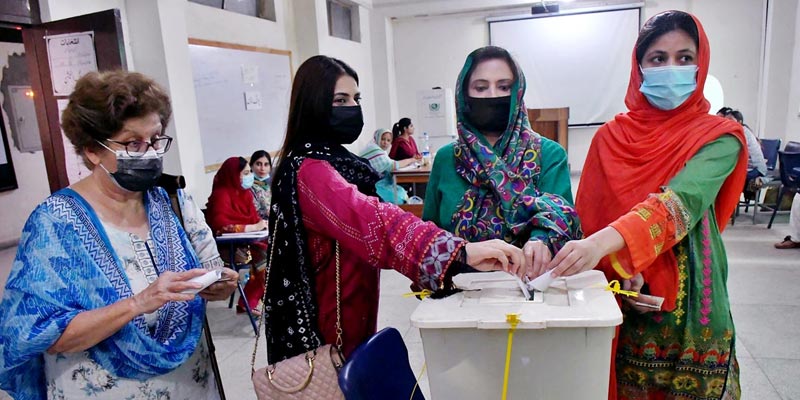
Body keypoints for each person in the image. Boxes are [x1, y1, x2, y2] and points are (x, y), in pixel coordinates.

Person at [264, 55, 526, 364]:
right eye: (340, 99)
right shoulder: (310, 171)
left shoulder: (337, 164)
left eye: (356, 98)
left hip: (352, 320)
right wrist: (458, 253)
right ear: (314, 105)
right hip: (326, 336)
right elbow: (375, 223)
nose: (353, 107)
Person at [0, 70, 238, 399]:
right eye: (132, 144)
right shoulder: (55, 224)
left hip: (191, 384)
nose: (150, 152)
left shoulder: (173, 202)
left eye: (155, 140)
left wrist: (219, 284)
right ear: (92, 150)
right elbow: (40, 334)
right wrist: (138, 303)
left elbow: (210, 272)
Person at [548, 11, 748, 399]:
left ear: (701, 64)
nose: (671, 68)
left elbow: (679, 203)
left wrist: (601, 246)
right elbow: (587, 220)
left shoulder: (720, 138)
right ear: (639, 68)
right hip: (627, 306)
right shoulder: (610, 139)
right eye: (658, 59)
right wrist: (617, 272)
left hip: (697, 312)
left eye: (685, 58)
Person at [423, 46, 582, 276]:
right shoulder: (447, 159)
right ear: (464, 94)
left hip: (532, 294)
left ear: (517, 92)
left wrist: (542, 241)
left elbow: (562, 219)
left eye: (504, 86)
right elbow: (431, 233)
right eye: (481, 87)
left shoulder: (549, 154)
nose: (492, 95)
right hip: (460, 295)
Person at [206, 156, 268, 316]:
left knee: (278, 251)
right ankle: (251, 300)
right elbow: (221, 226)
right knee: (266, 260)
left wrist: (262, 224)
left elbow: (255, 219)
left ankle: (251, 300)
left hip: (249, 243)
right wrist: (254, 227)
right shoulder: (221, 195)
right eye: (245, 173)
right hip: (231, 248)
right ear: (234, 174)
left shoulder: (244, 194)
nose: (249, 177)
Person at [717, 107, 768, 200]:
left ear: (739, 122)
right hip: (748, 167)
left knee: (728, 177)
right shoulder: (737, 131)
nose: (728, 123)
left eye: (731, 120)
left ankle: (728, 206)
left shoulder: (742, 132)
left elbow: (730, 152)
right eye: (726, 120)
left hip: (756, 169)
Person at [359, 128, 415, 204]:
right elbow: (392, 165)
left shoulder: (381, 151)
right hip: (373, 186)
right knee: (399, 199)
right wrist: (411, 160)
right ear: (377, 138)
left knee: (402, 193)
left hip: (381, 182)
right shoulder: (374, 149)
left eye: (388, 140)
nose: (385, 142)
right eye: (383, 139)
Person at [249, 149, 273, 219]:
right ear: (251, 166)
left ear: (270, 167)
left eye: (266, 164)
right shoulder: (248, 185)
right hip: (258, 223)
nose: (262, 168)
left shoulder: (271, 185)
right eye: (258, 164)